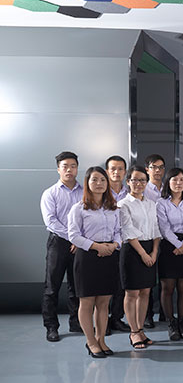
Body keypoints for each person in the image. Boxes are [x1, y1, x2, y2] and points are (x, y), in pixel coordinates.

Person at [67, 166, 121, 357]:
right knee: (87, 302)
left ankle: (101, 340)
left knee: (104, 303)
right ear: (87, 183)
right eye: (94, 180)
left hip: (109, 256)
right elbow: (74, 235)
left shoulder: (113, 208)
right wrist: (97, 247)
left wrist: (114, 245)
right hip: (88, 257)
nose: (99, 184)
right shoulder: (78, 208)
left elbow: (119, 232)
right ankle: (91, 342)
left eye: (102, 180)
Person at [40, 151, 83, 342]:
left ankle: (76, 322)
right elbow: (51, 221)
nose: (69, 170)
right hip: (58, 242)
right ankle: (51, 327)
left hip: (80, 244)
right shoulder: (50, 193)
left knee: (77, 286)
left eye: (73, 166)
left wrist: (79, 240)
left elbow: (89, 216)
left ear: (77, 168)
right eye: (65, 166)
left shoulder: (85, 192)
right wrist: (73, 237)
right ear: (58, 169)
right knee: (52, 287)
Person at [118, 166, 161, 349]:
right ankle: (133, 331)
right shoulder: (123, 204)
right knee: (132, 293)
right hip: (132, 250)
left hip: (150, 248)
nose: (139, 183)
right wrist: (143, 254)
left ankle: (141, 329)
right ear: (128, 182)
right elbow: (128, 230)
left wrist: (154, 252)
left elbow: (156, 229)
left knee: (145, 292)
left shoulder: (151, 204)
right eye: (134, 180)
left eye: (142, 180)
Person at [157, 168, 183, 340]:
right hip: (168, 246)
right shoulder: (161, 203)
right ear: (168, 182)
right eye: (174, 180)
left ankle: (182, 323)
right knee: (167, 287)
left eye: (182, 180)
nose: (178, 183)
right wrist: (178, 244)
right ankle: (171, 323)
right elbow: (164, 227)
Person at [104, 155, 130, 335]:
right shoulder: (101, 191)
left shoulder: (130, 192)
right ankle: (103, 320)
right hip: (104, 244)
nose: (116, 172)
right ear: (107, 171)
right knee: (104, 284)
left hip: (125, 243)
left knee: (121, 283)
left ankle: (116, 318)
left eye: (120, 169)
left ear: (125, 172)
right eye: (113, 169)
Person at [142, 154, 166, 327]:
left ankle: (165, 312)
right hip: (149, 237)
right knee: (148, 278)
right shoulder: (143, 189)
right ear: (147, 169)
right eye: (154, 167)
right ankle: (147, 315)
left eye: (160, 167)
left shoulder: (168, 187)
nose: (157, 170)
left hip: (167, 238)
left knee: (166, 277)